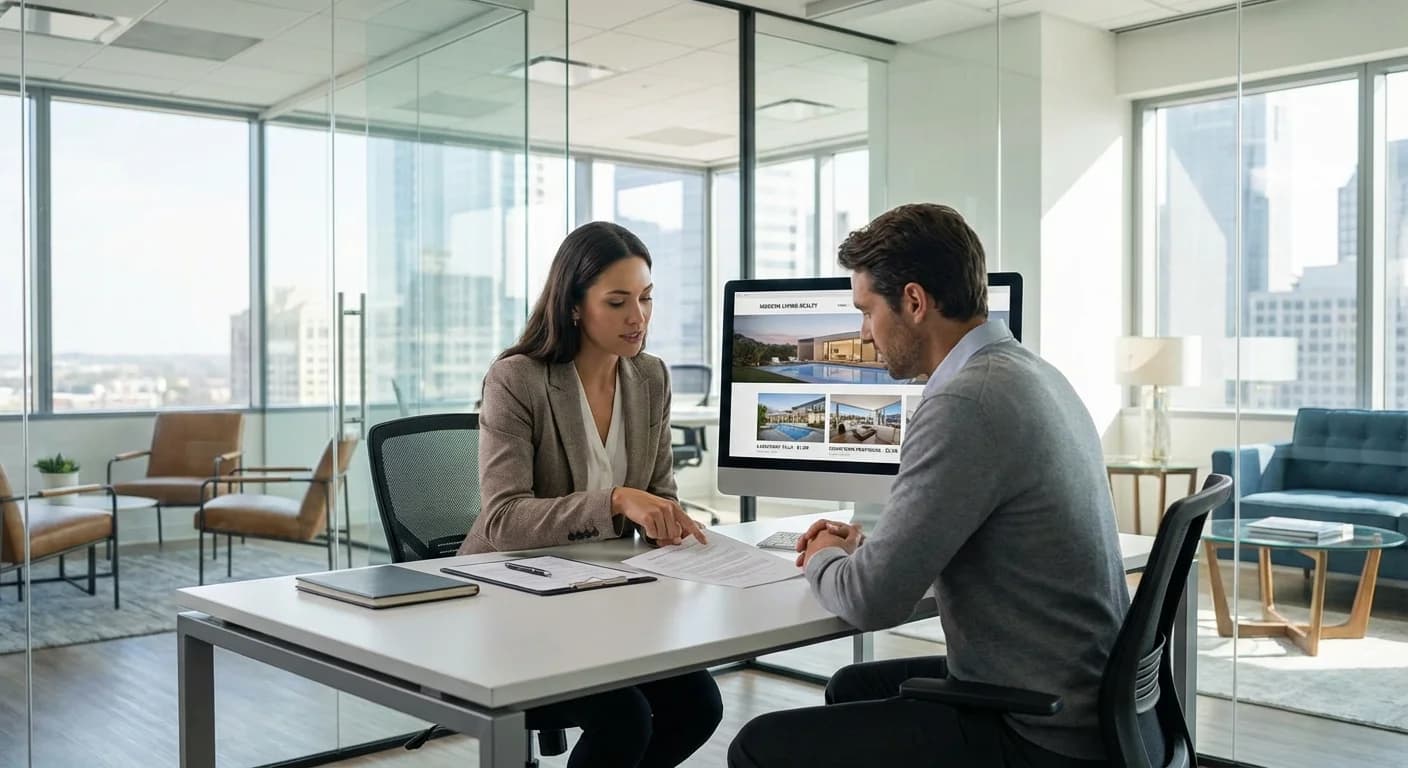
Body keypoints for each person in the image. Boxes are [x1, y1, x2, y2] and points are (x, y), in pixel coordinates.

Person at [728, 204, 1129, 767]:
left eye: (866, 312)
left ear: (914, 302)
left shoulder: (966, 402)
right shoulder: (1032, 373)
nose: (864, 333)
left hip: (1039, 730)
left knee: (757, 747)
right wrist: (868, 549)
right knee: (852, 686)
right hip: (1089, 704)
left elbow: (871, 602)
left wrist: (820, 555)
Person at [463, 221, 721, 768]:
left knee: (698, 706)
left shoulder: (650, 377)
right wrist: (616, 501)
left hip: (605, 600)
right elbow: (503, 519)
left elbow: (660, 494)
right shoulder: (518, 379)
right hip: (515, 605)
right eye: (618, 301)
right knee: (624, 718)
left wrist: (668, 525)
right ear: (575, 307)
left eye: (646, 298)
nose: (638, 317)